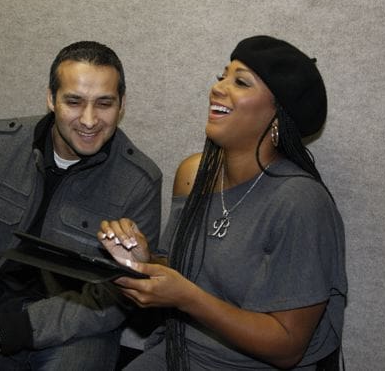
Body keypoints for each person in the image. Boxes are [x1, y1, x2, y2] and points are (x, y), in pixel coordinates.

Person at [99, 35, 347, 370]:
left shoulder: (300, 201)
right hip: (178, 351)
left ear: (277, 115)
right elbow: (181, 273)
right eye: (222, 77)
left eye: (240, 82)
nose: (218, 88)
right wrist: (145, 261)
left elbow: (287, 347)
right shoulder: (194, 175)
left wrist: (188, 299)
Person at [0, 40, 162, 370]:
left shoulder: (139, 182)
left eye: (104, 103)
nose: (89, 120)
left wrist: (6, 333)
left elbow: (118, 297)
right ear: (51, 99)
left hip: (79, 327)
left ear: (121, 105)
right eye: (74, 102)